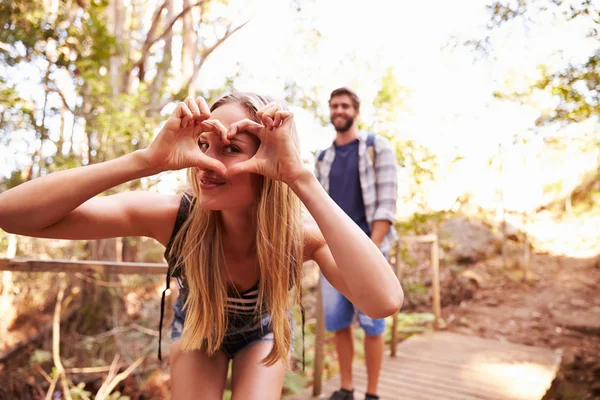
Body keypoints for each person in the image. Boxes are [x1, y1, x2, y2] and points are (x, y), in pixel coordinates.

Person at [0, 92, 403, 400]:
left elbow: (383, 300)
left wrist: (300, 178)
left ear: (268, 163)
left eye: (231, 149)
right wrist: (146, 160)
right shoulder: (176, 217)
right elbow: (11, 214)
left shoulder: (295, 235)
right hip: (198, 329)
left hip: (262, 334)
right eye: (205, 146)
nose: (207, 163)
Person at [314, 87, 399, 400]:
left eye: (345, 105)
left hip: (371, 247)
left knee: (373, 323)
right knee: (338, 323)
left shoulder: (377, 148)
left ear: (356, 111)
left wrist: (372, 252)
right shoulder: (323, 159)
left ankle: (372, 393)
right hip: (332, 253)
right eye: (334, 105)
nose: (339, 110)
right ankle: (346, 387)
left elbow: (386, 205)